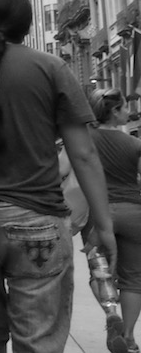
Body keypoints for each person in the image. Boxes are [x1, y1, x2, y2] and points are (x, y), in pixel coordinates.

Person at [0, 0, 117, 353]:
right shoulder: (50, 67)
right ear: (28, 23)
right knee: (38, 341)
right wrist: (103, 225)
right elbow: (84, 155)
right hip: (36, 218)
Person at [87, 87, 141, 353]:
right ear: (115, 111)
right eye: (124, 107)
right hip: (133, 214)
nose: (128, 111)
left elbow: (64, 168)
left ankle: (111, 314)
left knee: (99, 272)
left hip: (100, 213)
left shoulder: (85, 140)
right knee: (133, 279)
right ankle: (129, 338)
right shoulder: (134, 144)